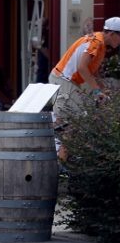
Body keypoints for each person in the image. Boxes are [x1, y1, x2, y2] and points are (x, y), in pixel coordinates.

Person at [48, 16, 120, 158]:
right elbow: (82, 68)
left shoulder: (99, 42)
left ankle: (61, 160)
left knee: (68, 123)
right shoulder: (97, 42)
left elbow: (92, 71)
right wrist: (97, 91)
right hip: (64, 80)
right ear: (112, 34)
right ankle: (61, 164)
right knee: (75, 122)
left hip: (65, 81)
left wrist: (103, 88)